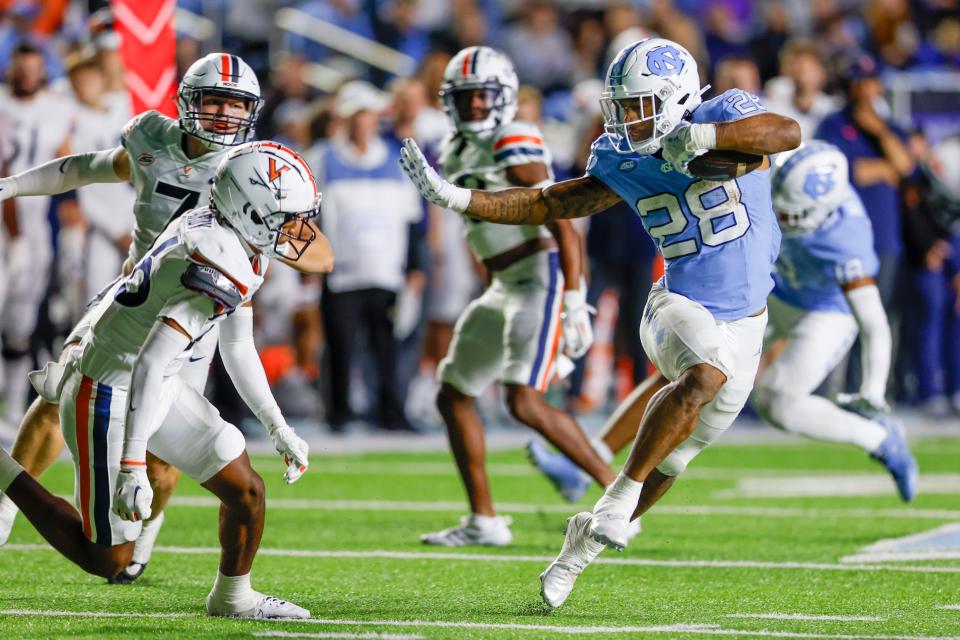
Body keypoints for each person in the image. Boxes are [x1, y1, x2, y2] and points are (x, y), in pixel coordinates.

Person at [398, 37, 800, 605]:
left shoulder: (722, 111)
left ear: (675, 96)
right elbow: (548, 203)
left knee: (676, 457)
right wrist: (459, 197)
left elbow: (785, 133)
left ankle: (577, 550)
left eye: (637, 104)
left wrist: (705, 138)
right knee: (705, 373)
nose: (626, 119)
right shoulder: (621, 157)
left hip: (748, 320)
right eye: (621, 105)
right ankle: (615, 502)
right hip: (678, 304)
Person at [0, 52, 329, 583]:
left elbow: (319, 251)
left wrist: (266, 246)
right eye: (214, 100)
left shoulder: (253, 170)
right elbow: (86, 167)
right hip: (133, 301)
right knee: (60, 392)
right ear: (187, 102)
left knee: (165, 455)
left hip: (200, 313)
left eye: (235, 103)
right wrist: (13, 185)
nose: (223, 113)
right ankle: (8, 507)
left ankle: (139, 539)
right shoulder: (153, 138)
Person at [529, 142, 920, 511]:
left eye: (790, 216)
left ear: (821, 213)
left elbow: (874, 322)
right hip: (768, 291)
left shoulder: (844, 238)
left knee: (778, 402)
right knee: (684, 369)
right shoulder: (785, 173)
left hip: (823, 312)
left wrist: (872, 390)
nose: (780, 217)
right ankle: (588, 464)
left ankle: (883, 439)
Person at [418, 46, 616, 547]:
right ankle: (484, 520)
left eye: (485, 96)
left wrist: (575, 297)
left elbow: (560, 215)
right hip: (504, 283)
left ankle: (620, 501)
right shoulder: (455, 148)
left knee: (524, 401)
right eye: (466, 98)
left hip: (541, 272)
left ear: (503, 98)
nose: (476, 107)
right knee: (454, 392)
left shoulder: (515, 137)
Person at [0, 42, 75, 428]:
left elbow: (68, 170)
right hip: (3, 227)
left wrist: (72, 227)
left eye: (33, 69)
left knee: (21, 324)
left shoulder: (58, 109)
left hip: (35, 229)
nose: (26, 76)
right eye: (20, 69)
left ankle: (13, 409)